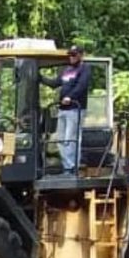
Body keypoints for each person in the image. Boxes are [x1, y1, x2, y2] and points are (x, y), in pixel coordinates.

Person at [40, 45, 92, 176]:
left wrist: (70, 97)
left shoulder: (84, 68)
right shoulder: (66, 69)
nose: (71, 57)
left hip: (75, 108)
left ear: (81, 55)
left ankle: (72, 168)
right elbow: (55, 83)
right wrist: (40, 78)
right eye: (70, 55)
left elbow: (82, 85)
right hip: (63, 109)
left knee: (71, 138)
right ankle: (66, 166)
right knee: (61, 139)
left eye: (74, 55)